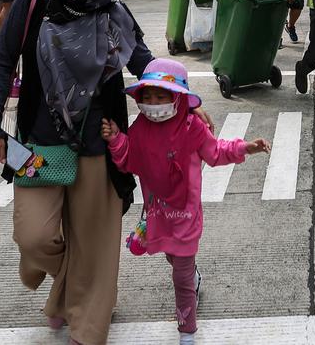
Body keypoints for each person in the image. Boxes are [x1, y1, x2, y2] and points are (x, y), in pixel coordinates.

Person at [0, 0, 214, 345]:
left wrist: (186, 104)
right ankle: (69, 282)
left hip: (99, 144)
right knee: (33, 237)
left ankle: (86, 331)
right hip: (36, 144)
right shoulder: (33, 4)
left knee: (95, 248)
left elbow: (144, 64)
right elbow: (2, 63)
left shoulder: (114, 14)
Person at [102, 59, 269, 345]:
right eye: (149, 96)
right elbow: (130, 160)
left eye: (161, 95)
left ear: (177, 97)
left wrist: (246, 148)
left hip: (186, 216)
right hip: (157, 214)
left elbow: (216, 152)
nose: (154, 102)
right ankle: (191, 275)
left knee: (180, 276)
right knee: (174, 259)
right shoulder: (139, 128)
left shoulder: (192, 127)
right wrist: (117, 139)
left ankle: (187, 330)